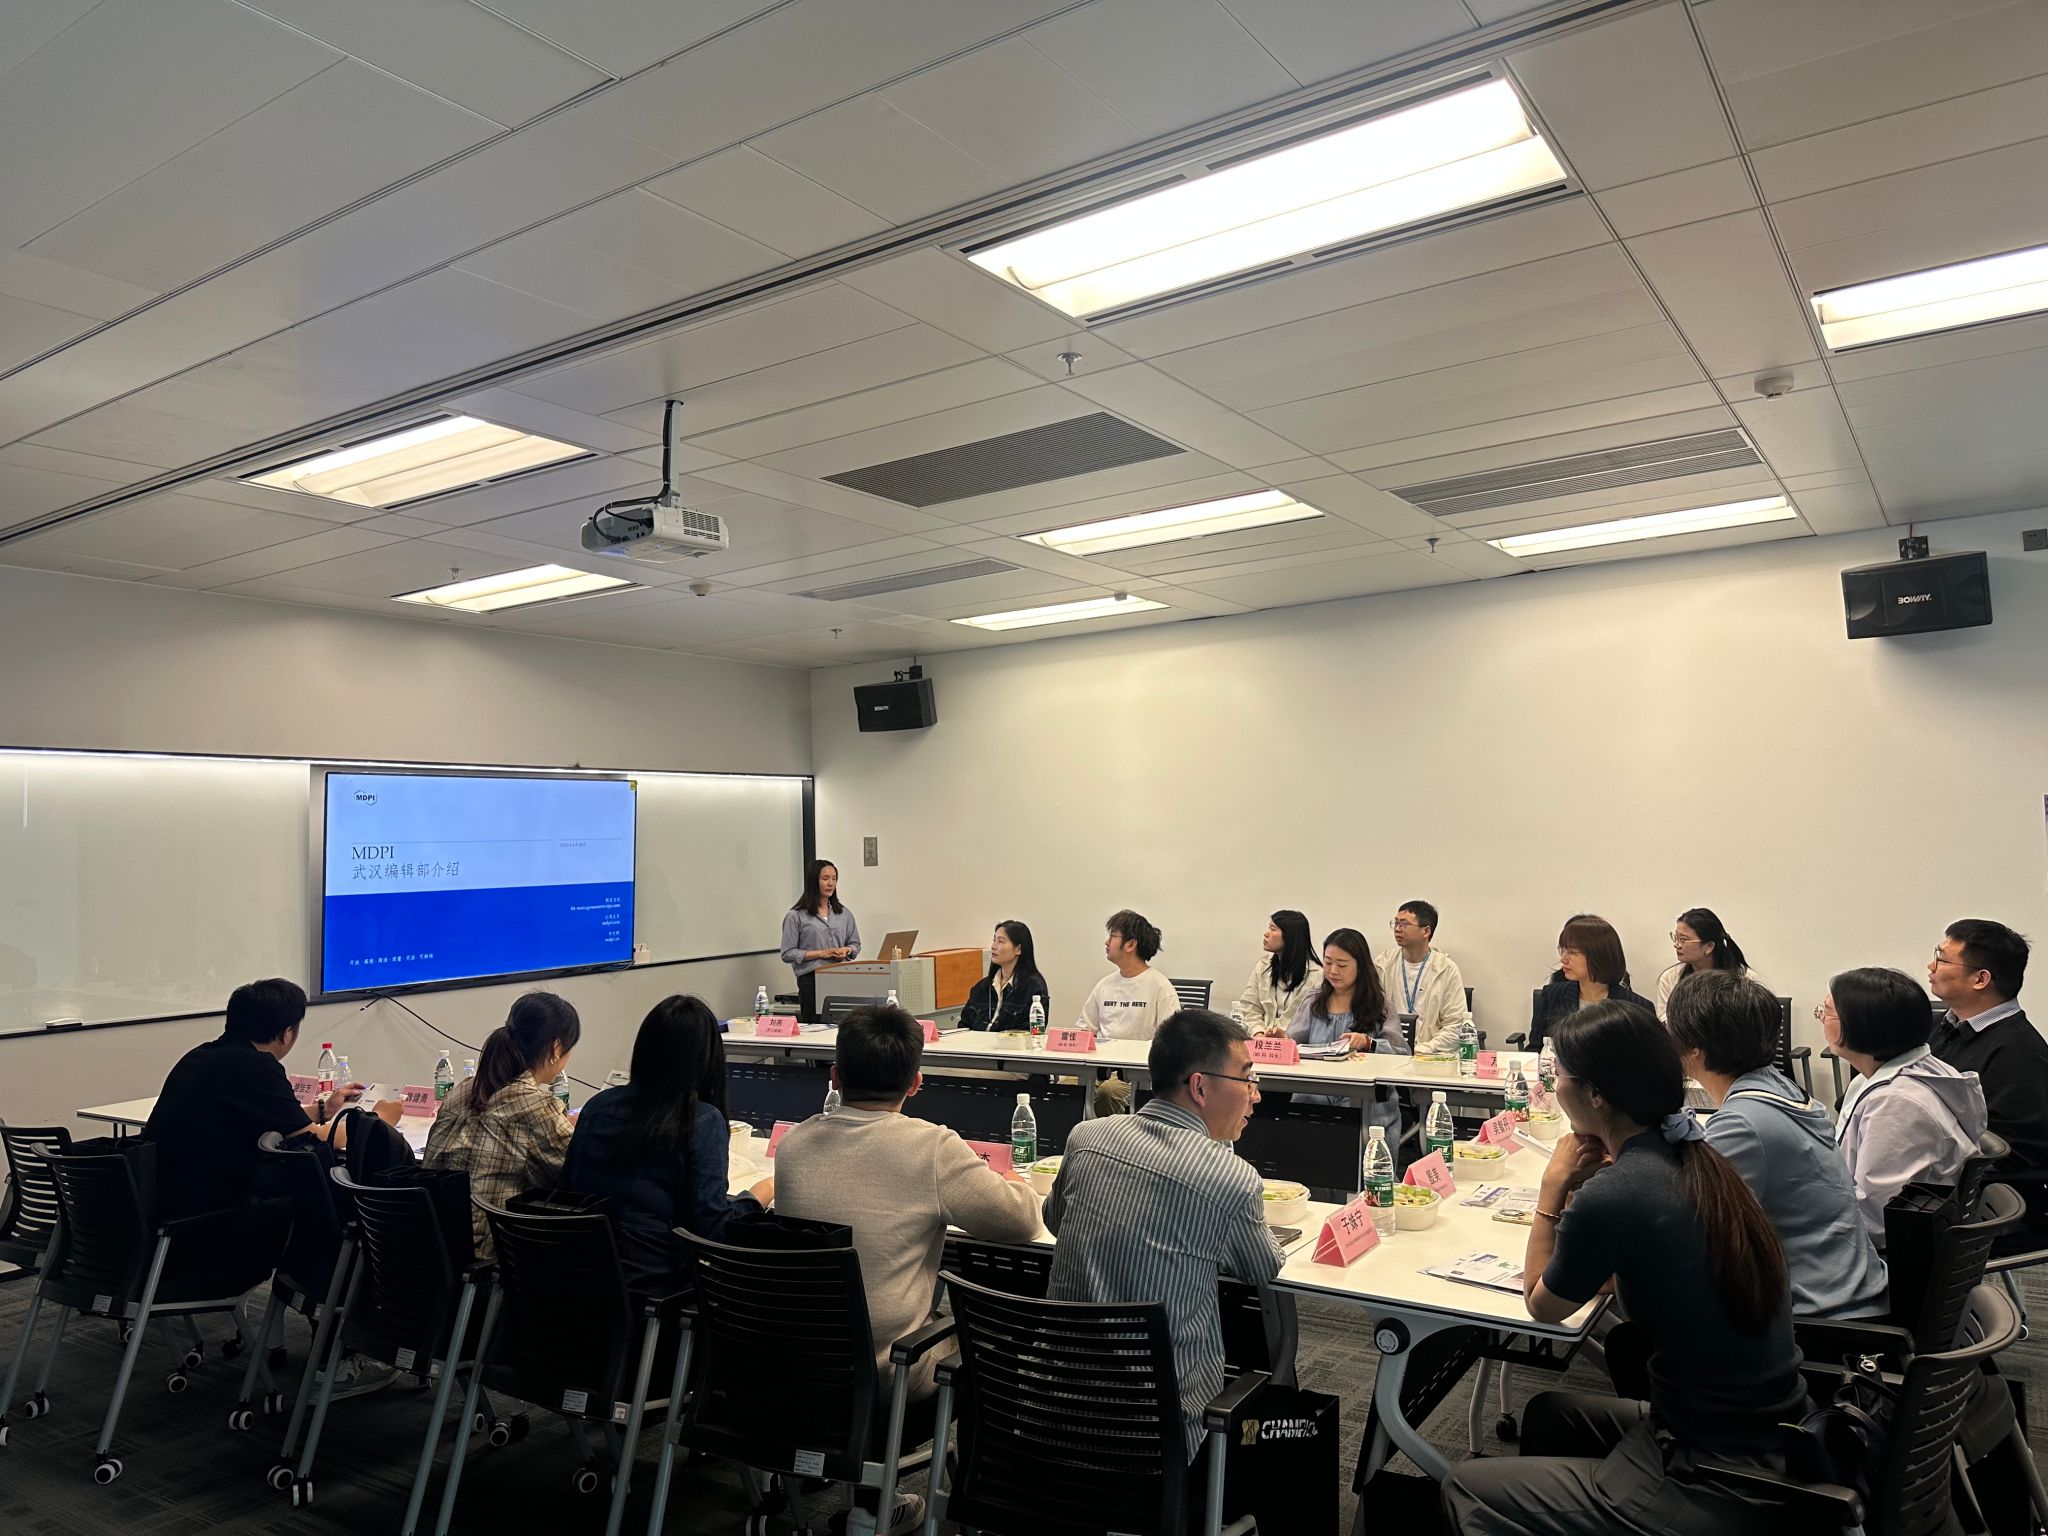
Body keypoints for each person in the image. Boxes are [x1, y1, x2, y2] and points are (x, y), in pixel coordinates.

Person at [1441, 999, 1807, 1536]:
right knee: (1547, 1415)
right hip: (1773, 1429)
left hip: (1715, 1465)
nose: (1553, 1086)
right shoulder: (1695, 1155)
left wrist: (1553, 1188)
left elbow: (1543, 1305)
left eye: (1558, 1075)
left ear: (1594, 1094)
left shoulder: (1622, 1189)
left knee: (1465, 1487)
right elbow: (1624, 1270)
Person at [775, 1003, 1040, 1536]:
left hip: (799, 1367)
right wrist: (1020, 1185)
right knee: (993, 1341)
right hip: (888, 1376)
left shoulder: (794, 1144)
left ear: (835, 1077)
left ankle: (865, 1494)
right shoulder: (932, 1148)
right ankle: (972, 1509)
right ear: (916, 1082)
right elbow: (1020, 1222)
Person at [1046, 1009, 1283, 1461]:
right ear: (1200, 1087)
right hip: (1159, 1433)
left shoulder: (1086, 1137)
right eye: (1247, 1077)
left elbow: (1055, 1220)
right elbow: (1262, 1268)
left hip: (1053, 1409)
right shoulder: (1230, 1178)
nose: (1255, 1094)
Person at [1665, 971, 1886, 1319]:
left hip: (1819, 1316)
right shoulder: (1780, 1089)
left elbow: (1685, 1230)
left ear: (1694, 1050)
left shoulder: (1742, 1123)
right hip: (1852, 1290)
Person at [564, 995, 774, 1296]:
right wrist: (756, 1198)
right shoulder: (700, 1119)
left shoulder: (599, 1106)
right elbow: (711, 1231)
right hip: (654, 1287)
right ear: (709, 1059)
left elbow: (568, 1188)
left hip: (581, 1276)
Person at [144, 977, 401, 1220]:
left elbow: (271, 1118)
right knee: (342, 1196)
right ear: (287, 1033)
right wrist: (378, 1121)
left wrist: (323, 1109)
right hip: (212, 1211)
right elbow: (315, 1139)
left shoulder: (203, 1056)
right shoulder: (255, 1066)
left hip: (168, 1195)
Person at [1826, 966, 1987, 1244]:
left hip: (1883, 1250)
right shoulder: (1897, 1073)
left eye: (1827, 1011)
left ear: (1861, 1025)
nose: (1820, 1018)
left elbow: (1877, 1219)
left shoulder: (1896, 1105)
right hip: (1866, 1221)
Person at [423, 991, 580, 1257]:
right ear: (556, 1048)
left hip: (433, 1245)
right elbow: (572, 1176)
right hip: (488, 1255)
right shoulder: (536, 1106)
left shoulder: (463, 1089)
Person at [1927, 919, 2048, 1246]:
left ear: (1980, 979)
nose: (1931, 966)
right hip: (1938, 1174)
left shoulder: (2018, 1053)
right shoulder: (1946, 1027)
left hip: (1977, 1203)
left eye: (1942, 959)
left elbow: (2015, 1154)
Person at [1529, 914, 1651, 1052]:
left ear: (1598, 955)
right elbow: (1534, 1049)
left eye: (1572, 952)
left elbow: (1648, 1059)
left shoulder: (1638, 1008)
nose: (1564, 959)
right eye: (1563, 950)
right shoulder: (1552, 995)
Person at [1378, 900, 1471, 1052]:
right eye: (1396, 923)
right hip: (1391, 1053)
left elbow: (1456, 1026)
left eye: (1404, 924)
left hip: (1431, 1054)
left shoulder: (1446, 969)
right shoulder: (1383, 964)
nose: (1397, 929)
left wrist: (1425, 1049)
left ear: (1426, 931)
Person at [1076, 908, 1180, 1040]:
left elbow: (1171, 1040)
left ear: (1130, 945)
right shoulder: (1104, 984)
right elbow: (1085, 1030)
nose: (1106, 942)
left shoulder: (1161, 987)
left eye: (1113, 936)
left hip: (1142, 1054)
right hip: (1104, 1052)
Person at [780, 858, 861, 1022]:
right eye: (825, 878)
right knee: (815, 1025)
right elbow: (787, 953)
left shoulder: (843, 913)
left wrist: (846, 950)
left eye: (834, 879)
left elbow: (855, 944)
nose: (831, 883)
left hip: (841, 976)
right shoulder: (796, 916)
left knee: (844, 1024)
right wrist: (821, 953)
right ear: (813, 881)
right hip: (812, 980)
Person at [1229, 910, 1320, 1034]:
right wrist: (1258, 1032)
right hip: (1262, 1040)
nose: (1266, 934)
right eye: (1269, 928)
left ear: (1290, 936)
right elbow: (1249, 1006)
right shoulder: (1263, 966)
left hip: (1295, 1041)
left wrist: (1282, 1036)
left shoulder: (1317, 975)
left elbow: (1312, 1021)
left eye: (1273, 929)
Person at [1655, 908, 1754, 1021]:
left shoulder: (1746, 979)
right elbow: (1665, 1020)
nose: (1677, 945)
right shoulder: (1670, 978)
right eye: (1676, 938)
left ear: (1709, 946)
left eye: (1683, 939)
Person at [958, 919, 1050, 1031]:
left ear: (1018, 949)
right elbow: (963, 1027)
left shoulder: (1033, 988)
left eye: (1001, 941)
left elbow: (1030, 1031)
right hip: (975, 1042)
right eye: (994, 940)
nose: (993, 946)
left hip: (1009, 1042)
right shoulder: (981, 988)